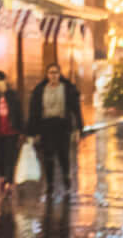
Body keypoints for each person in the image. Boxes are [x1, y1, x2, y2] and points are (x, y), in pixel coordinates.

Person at [27, 63, 83, 196]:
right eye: (51, 73)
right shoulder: (40, 90)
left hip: (62, 125)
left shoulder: (67, 89)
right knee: (48, 156)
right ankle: (50, 184)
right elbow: (34, 112)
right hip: (46, 125)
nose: (53, 76)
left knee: (63, 155)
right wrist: (32, 132)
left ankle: (66, 178)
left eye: (56, 73)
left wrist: (79, 129)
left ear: (59, 74)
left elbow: (76, 110)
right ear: (47, 75)